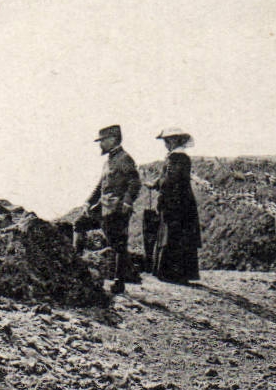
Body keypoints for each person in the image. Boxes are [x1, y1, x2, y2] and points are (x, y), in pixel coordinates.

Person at [86, 124, 140, 294]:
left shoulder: (125, 158)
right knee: (79, 224)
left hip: (117, 209)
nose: (100, 144)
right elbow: (100, 185)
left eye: (102, 141)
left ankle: (119, 281)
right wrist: (88, 203)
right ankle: (79, 270)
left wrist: (127, 202)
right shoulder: (109, 160)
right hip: (103, 207)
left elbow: (134, 182)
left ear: (112, 140)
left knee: (119, 245)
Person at [150, 127, 202, 283]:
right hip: (180, 201)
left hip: (177, 202)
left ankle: (172, 274)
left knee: (173, 235)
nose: (166, 144)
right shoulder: (178, 157)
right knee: (177, 235)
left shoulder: (177, 157)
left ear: (174, 141)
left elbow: (170, 179)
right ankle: (178, 273)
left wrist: (156, 184)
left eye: (167, 141)